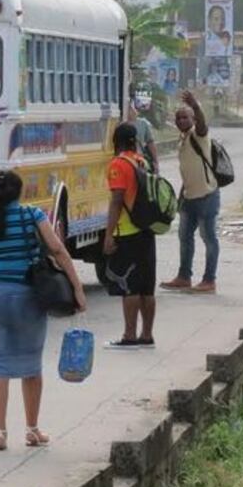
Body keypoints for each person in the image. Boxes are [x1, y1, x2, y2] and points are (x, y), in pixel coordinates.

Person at [0, 170, 87, 452]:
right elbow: (58, 250)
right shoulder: (31, 215)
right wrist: (77, 287)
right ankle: (32, 429)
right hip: (26, 296)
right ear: (19, 192)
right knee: (31, 365)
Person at [103, 123, 158, 349]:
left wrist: (108, 235)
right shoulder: (142, 161)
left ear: (115, 140)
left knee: (130, 287)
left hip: (127, 232)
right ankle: (147, 335)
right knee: (147, 287)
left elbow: (117, 200)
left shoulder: (118, 164)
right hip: (147, 230)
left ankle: (129, 336)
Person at [161, 91, 220, 294]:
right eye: (178, 118)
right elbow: (187, 170)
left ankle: (209, 280)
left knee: (209, 238)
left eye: (185, 117)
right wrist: (180, 197)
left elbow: (202, 124)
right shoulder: (183, 138)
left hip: (207, 196)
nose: (181, 121)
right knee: (185, 237)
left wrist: (195, 105)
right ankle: (184, 277)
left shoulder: (198, 134)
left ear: (193, 119)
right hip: (189, 198)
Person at [127, 98, 159, 174]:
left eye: (130, 107)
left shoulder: (142, 123)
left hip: (139, 160)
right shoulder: (119, 123)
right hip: (124, 160)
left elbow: (150, 143)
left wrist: (155, 162)